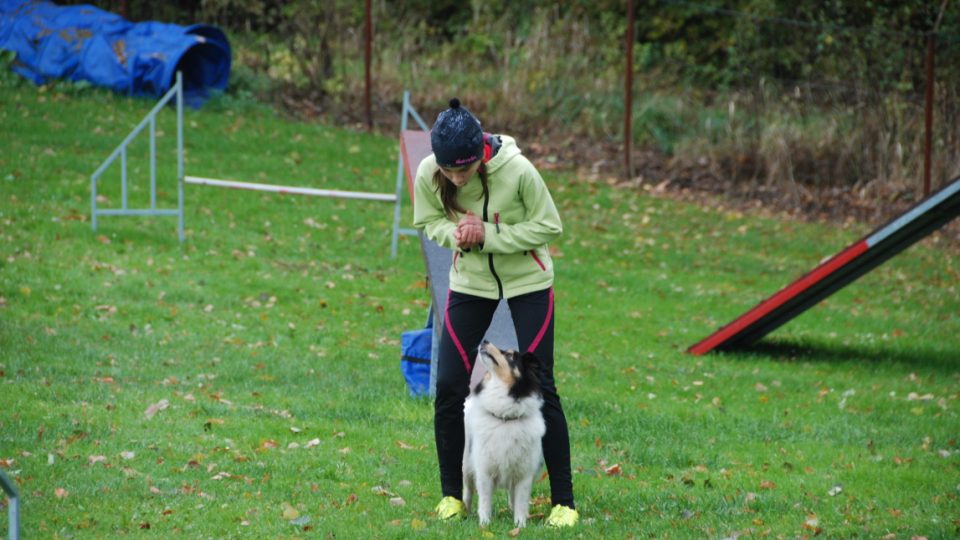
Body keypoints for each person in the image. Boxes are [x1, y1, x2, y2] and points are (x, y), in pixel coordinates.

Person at [412, 98, 579, 528]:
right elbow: (427, 220)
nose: (454, 178)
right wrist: (455, 234)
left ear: (480, 155)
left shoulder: (519, 171)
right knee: (448, 384)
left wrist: (489, 234)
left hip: (529, 282)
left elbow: (549, 226)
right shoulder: (429, 173)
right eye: (448, 171)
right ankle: (452, 496)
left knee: (543, 384)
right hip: (470, 282)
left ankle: (565, 502)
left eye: (462, 171)